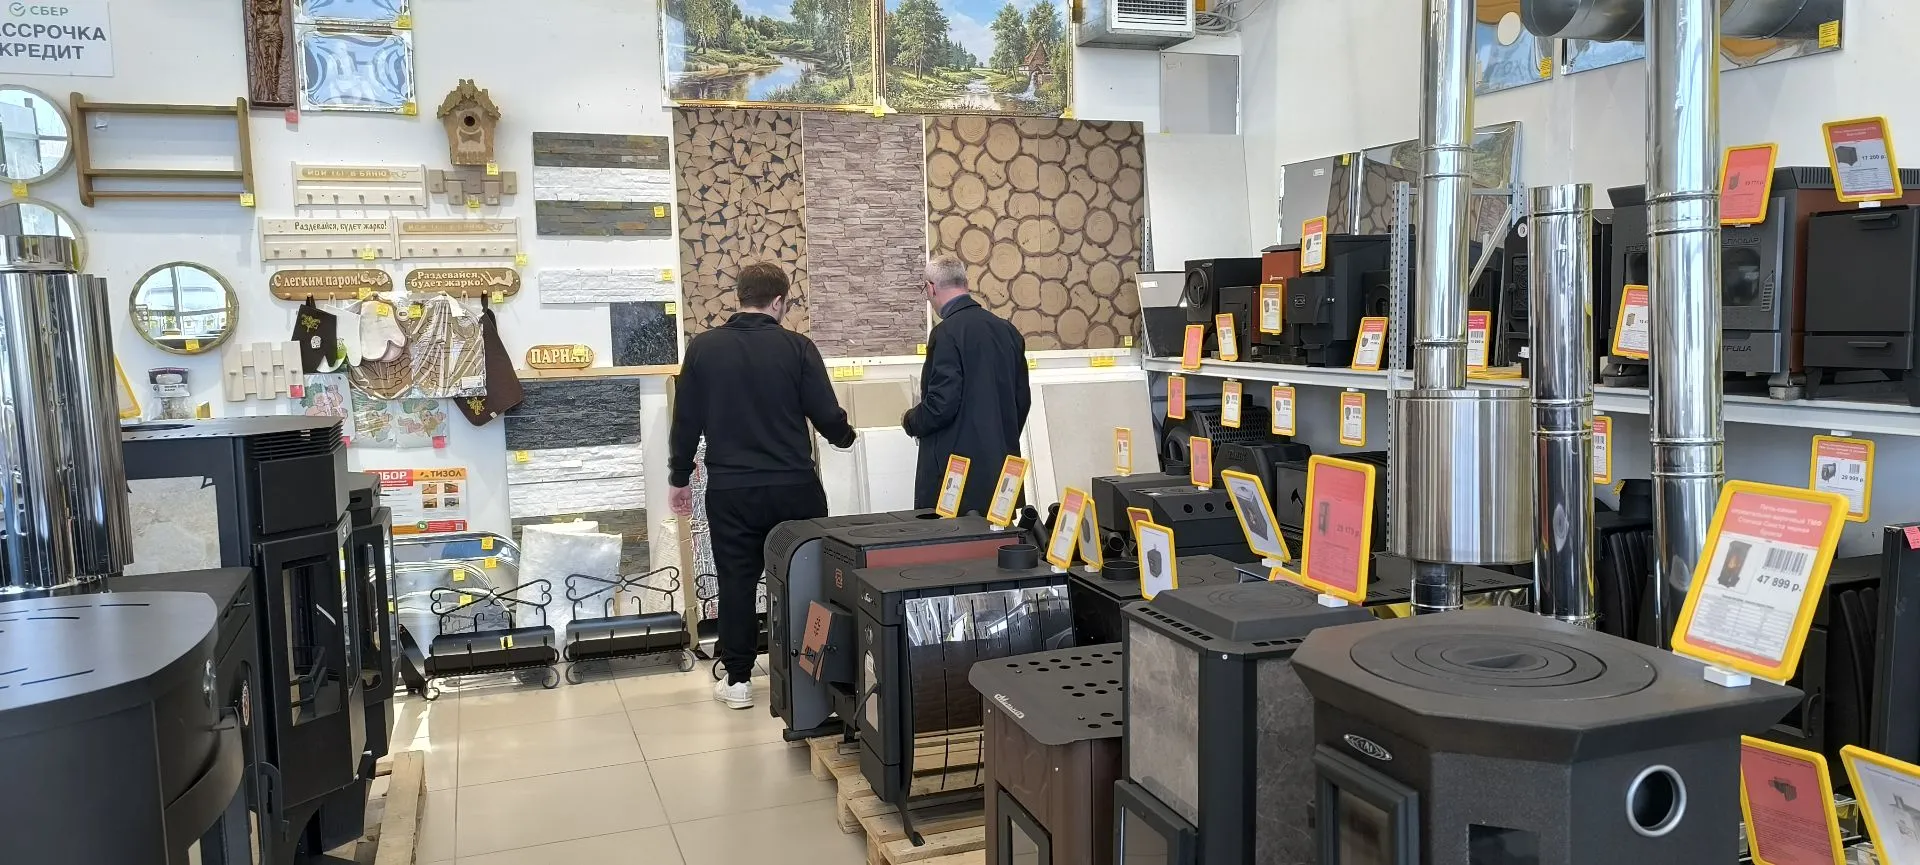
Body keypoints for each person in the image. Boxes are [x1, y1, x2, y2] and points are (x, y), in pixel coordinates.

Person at [668, 263, 856, 710]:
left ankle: (737, 681)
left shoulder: (703, 349)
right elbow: (826, 413)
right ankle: (812, 671)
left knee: (736, 581)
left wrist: (679, 477)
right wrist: (846, 437)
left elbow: (686, 420)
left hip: (732, 490)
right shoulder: (797, 347)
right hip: (794, 486)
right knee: (807, 576)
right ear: (778, 301)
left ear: (741, 297)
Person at [903, 255, 1031, 518]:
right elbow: (1022, 401)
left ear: (931, 288)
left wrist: (911, 420)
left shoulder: (946, 334)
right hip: (1001, 474)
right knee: (1000, 541)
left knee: (956, 544)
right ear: (966, 283)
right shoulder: (1008, 331)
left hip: (956, 481)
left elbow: (941, 405)